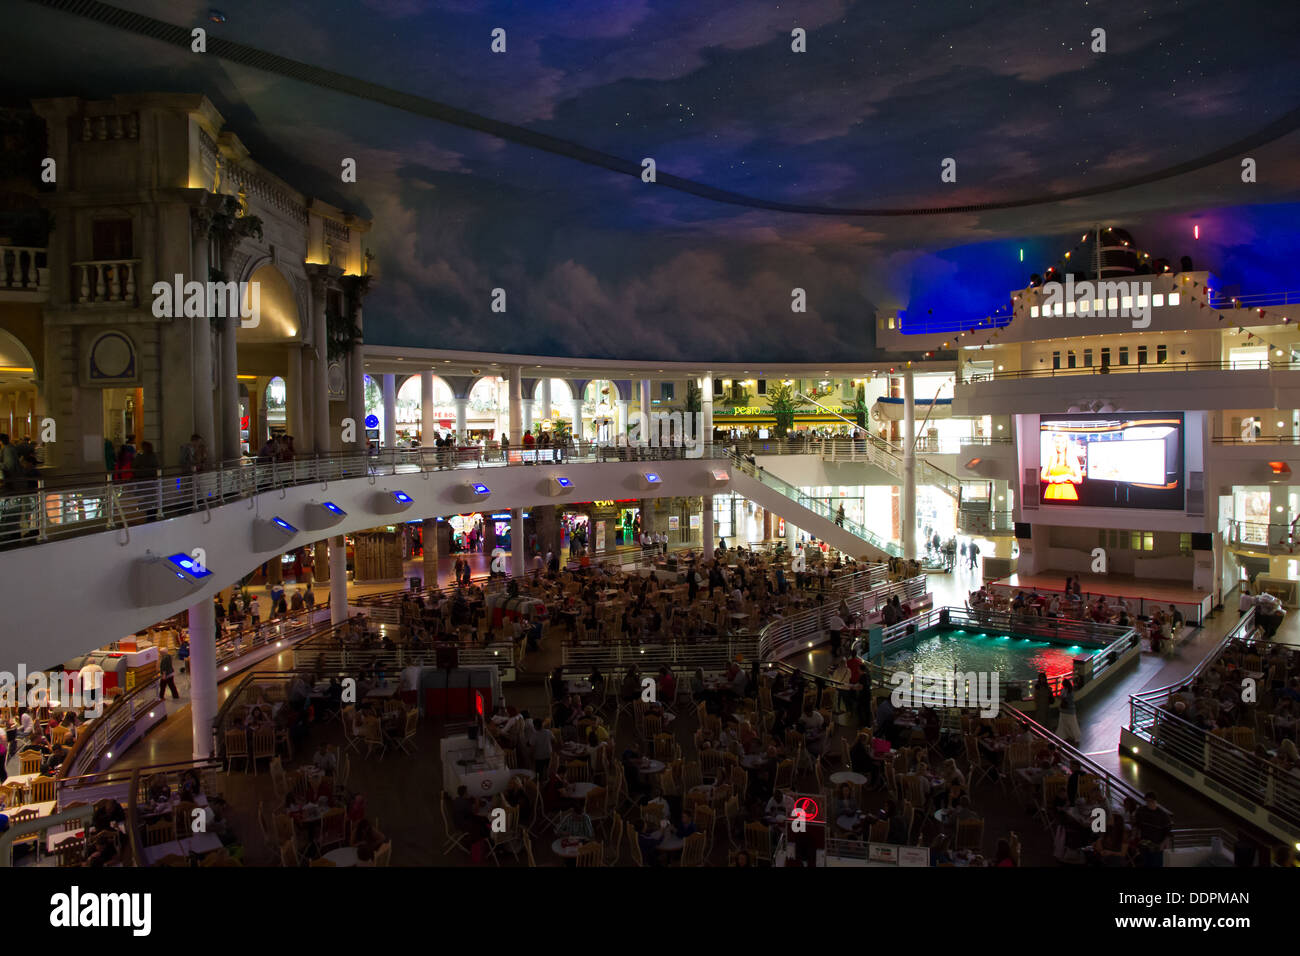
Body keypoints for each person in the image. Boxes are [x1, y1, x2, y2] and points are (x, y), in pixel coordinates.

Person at [1056, 678, 1080, 744]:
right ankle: (1071, 735)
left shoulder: (1067, 691)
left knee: (1066, 723)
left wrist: (1061, 698)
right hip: (1068, 710)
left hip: (1066, 710)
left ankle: (1066, 735)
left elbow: (1065, 698)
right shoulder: (1069, 691)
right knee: (1071, 724)